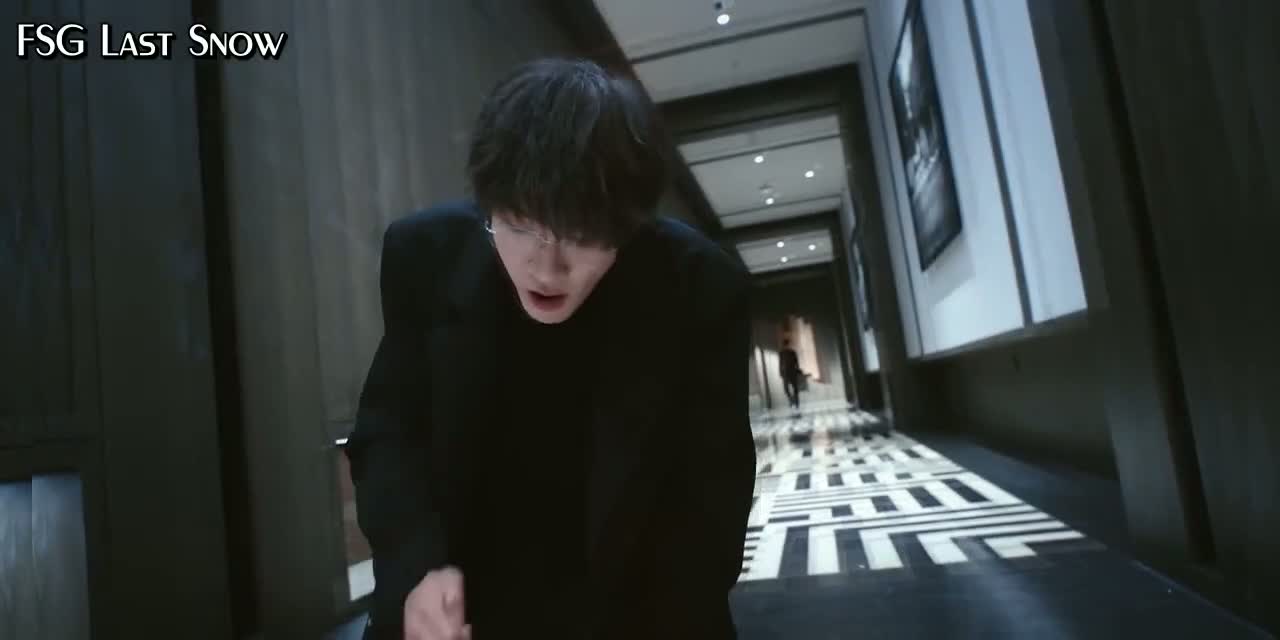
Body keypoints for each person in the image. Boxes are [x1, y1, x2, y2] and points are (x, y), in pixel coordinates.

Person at [345, 58, 756, 639]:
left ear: (627, 225)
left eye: (581, 236)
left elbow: (710, 497)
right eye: (518, 226)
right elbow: (390, 434)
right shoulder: (427, 256)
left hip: (637, 609)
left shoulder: (699, 288)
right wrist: (417, 573)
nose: (546, 266)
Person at [779, 339, 802, 410]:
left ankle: (796, 402)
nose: (786, 346)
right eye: (785, 345)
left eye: (787, 345)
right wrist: (780, 372)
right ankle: (792, 400)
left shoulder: (792, 352)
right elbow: (780, 363)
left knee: (795, 388)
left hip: (792, 372)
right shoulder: (781, 353)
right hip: (786, 373)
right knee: (786, 389)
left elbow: (796, 363)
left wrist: (797, 370)